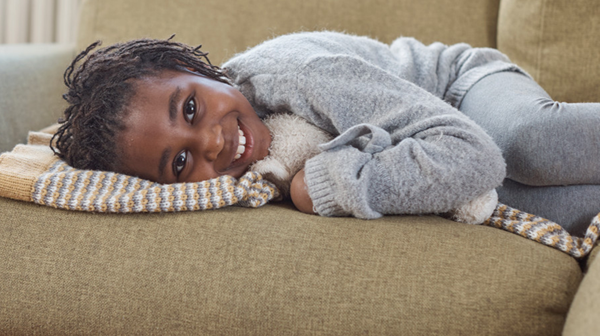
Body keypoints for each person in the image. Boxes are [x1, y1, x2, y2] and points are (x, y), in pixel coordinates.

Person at [51, 32, 600, 235]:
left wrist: (331, 184)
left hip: (461, 90)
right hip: (445, 135)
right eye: (179, 163)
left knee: (527, 143)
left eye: (191, 107)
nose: (212, 145)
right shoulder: (244, 177)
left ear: (195, 65)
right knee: (563, 207)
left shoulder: (293, 75)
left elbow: (473, 157)